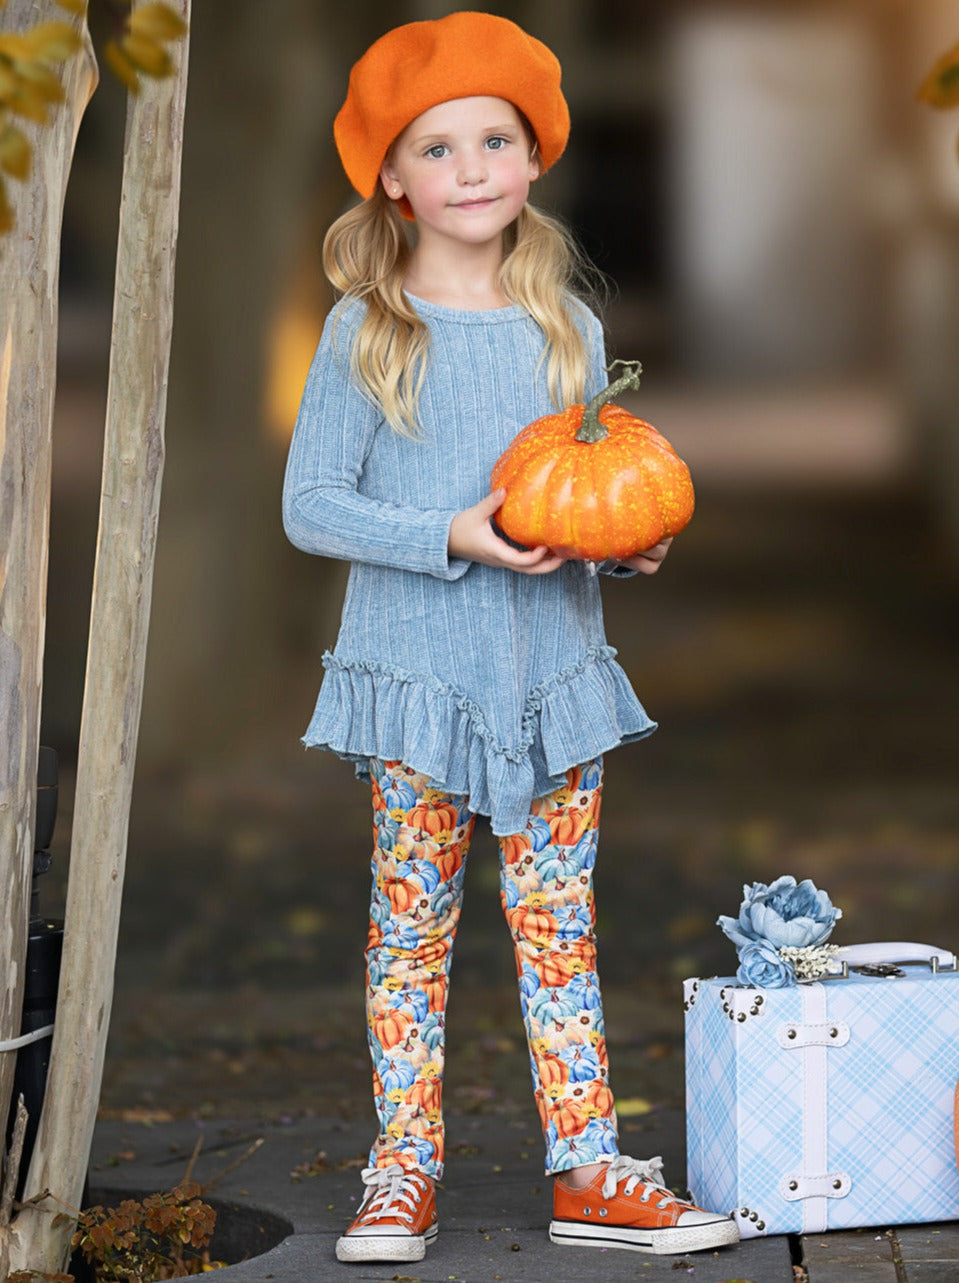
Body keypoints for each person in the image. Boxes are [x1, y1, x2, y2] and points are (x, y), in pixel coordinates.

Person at [282, 10, 738, 1266]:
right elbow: (310, 503)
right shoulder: (366, 332)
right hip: (418, 684)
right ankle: (402, 1168)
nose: (472, 167)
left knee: (557, 927)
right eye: (438, 147)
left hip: (548, 682)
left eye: (496, 138)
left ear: (534, 158)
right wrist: (452, 532)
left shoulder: (568, 335)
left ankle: (588, 1165)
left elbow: (588, 489)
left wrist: (626, 546)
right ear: (390, 176)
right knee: (408, 934)